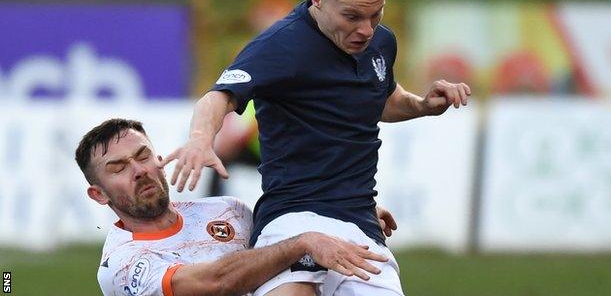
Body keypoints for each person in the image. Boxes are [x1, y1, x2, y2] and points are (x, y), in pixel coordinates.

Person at [164, 0, 470, 295]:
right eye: (352, 16)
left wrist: (422, 105)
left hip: (360, 225)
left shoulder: (382, 43)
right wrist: (200, 140)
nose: (366, 30)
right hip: (291, 219)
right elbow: (217, 97)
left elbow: (382, 99)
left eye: (376, 14)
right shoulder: (280, 45)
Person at [75, 118, 392, 296]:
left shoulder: (229, 212)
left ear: (159, 160)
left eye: (143, 156)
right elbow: (217, 283)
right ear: (99, 194)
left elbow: (282, 240)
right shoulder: (123, 264)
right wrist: (307, 240)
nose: (139, 170)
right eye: (119, 168)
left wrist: (342, 222)